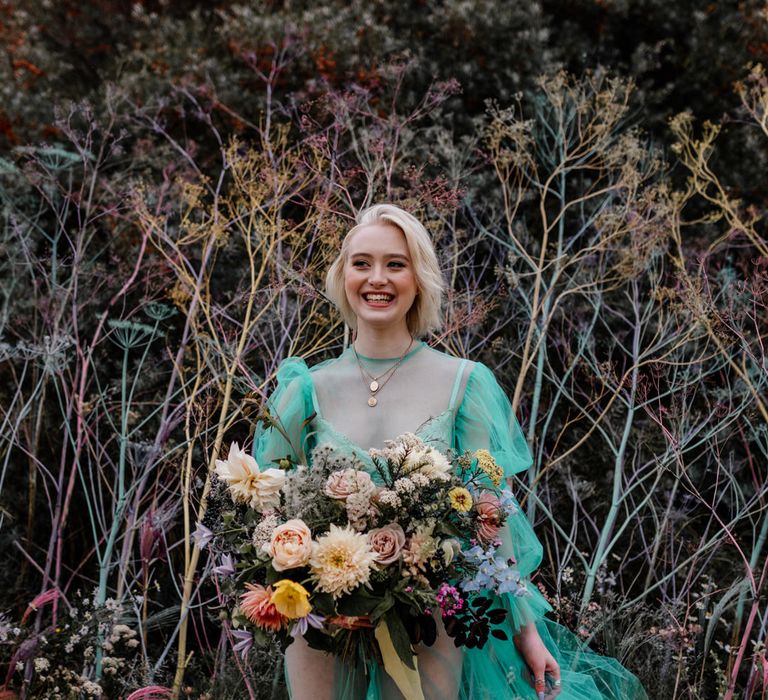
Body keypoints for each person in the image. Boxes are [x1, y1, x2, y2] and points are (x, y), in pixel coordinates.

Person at [252, 204, 647, 700]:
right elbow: (263, 512)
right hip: (323, 619)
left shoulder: (464, 384)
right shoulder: (302, 391)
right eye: (362, 263)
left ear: (419, 279)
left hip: (430, 616)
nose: (378, 278)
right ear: (342, 276)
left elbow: (490, 510)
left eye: (396, 264)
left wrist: (527, 631)